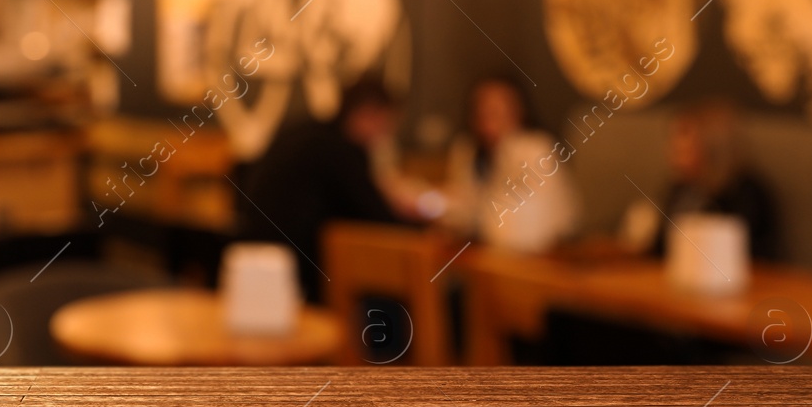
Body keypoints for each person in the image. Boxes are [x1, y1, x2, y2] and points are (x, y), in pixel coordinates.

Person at [237, 76, 410, 301]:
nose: (385, 135)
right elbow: (379, 220)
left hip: (255, 257)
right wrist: (425, 227)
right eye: (386, 123)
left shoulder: (306, 131)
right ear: (369, 113)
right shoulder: (340, 150)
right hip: (300, 271)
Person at [442, 76, 577, 253]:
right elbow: (457, 208)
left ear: (519, 110)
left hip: (547, 250)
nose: (490, 115)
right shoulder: (467, 150)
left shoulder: (536, 148)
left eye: (499, 109)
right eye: (483, 109)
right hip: (488, 249)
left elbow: (530, 218)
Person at [649, 100, 780, 261]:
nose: (671, 157)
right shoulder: (680, 190)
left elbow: (751, 258)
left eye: (683, 150)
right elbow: (659, 250)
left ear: (713, 149)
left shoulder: (747, 196)